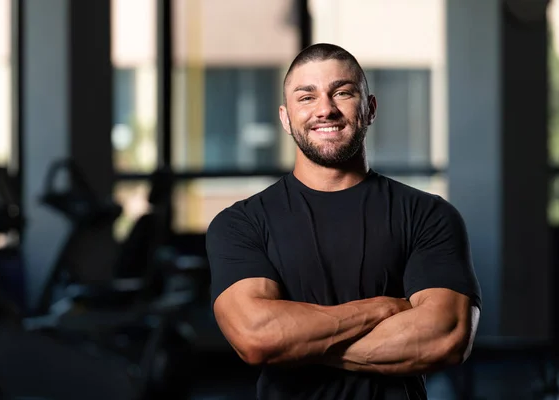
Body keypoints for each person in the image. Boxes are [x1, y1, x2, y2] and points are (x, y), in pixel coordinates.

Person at [205, 43, 482, 400]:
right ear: (286, 118)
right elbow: (258, 337)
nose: (326, 109)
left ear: (370, 109)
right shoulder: (241, 223)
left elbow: (446, 336)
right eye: (306, 97)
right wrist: (382, 307)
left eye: (342, 92)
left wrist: (299, 345)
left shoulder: (428, 215)